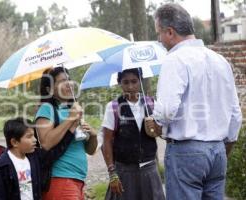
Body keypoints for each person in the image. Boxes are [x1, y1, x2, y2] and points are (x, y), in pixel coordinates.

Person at [145, 3, 243, 200]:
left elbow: (166, 111)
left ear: (170, 32)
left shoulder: (175, 60)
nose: (159, 39)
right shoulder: (220, 60)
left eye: (159, 33)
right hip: (218, 151)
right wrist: (224, 148)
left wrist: (155, 125)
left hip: (186, 152)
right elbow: (235, 113)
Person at [101, 68, 165, 200]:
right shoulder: (113, 107)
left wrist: (155, 128)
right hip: (124, 170)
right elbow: (106, 141)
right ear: (120, 83)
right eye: (125, 82)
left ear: (140, 81)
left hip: (149, 169)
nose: (130, 86)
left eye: (134, 81)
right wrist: (112, 173)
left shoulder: (151, 104)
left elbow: (163, 133)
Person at [35, 67, 98, 200]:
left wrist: (93, 135)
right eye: (62, 81)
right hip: (60, 179)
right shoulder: (47, 109)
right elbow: (46, 143)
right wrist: (70, 119)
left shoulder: (73, 109)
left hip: (78, 179)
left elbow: (90, 150)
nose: (69, 83)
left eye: (69, 79)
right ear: (50, 90)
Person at [0, 117, 73, 200]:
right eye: (29, 137)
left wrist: (71, 131)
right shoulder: (2, 166)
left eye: (34, 135)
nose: (35, 140)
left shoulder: (35, 156)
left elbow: (56, 151)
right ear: (14, 142)